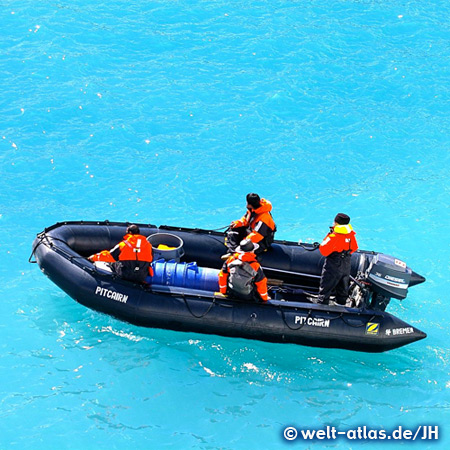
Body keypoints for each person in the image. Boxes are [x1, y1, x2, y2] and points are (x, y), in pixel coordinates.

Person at [316, 213, 358, 305]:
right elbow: (354, 247)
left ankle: (321, 307)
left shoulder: (334, 236)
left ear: (336, 223)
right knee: (343, 287)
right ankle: (341, 305)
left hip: (334, 263)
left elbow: (323, 250)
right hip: (346, 263)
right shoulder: (351, 235)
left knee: (326, 286)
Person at [88, 224, 153, 283]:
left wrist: (94, 257)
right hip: (141, 276)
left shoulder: (124, 245)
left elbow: (109, 256)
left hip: (125, 275)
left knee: (112, 262)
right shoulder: (148, 245)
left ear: (129, 232)